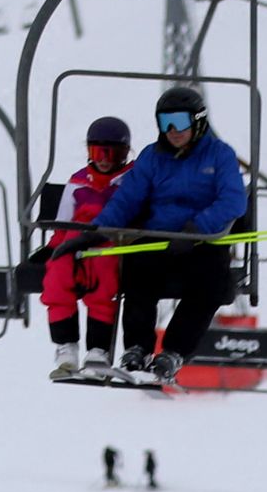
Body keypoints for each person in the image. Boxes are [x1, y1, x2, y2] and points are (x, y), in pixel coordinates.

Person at [99, 83, 250, 376]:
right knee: (137, 272)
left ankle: (174, 352)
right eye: (164, 122)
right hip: (160, 239)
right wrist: (99, 229)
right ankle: (137, 348)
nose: (172, 130)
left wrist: (197, 229)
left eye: (180, 121)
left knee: (210, 285)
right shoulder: (153, 157)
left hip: (203, 240)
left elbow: (233, 201)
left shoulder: (219, 155)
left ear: (198, 120)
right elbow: (128, 198)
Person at [29, 117, 137, 381]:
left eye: (112, 153)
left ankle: (98, 349)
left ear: (124, 153)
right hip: (74, 244)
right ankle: (66, 347)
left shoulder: (131, 180)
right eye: (96, 152)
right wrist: (53, 247)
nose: (104, 159)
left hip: (109, 245)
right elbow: (63, 222)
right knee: (56, 276)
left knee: (103, 280)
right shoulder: (79, 181)